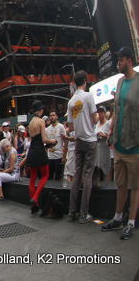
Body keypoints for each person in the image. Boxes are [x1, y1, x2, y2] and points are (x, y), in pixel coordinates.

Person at [102, 47, 139, 240]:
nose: (119, 64)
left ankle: (131, 221)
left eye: (122, 60)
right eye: (118, 61)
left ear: (130, 61)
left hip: (135, 145)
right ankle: (117, 218)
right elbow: (117, 109)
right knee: (121, 184)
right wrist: (110, 130)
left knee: (135, 186)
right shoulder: (119, 81)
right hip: (119, 144)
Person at [66, 70, 99, 223]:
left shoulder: (71, 102)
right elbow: (95, 118)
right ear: (85, 81)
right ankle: (83, 213)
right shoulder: (88, 96)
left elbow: (70, 127)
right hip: (90, 140)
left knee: (77, 175)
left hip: (78, 141)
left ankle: (72, 211)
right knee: (87, 176)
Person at [25, 100, 56, 213]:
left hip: (32, 151)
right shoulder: (41, 122)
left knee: (32, 178)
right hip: (39, 151)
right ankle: (35, 198)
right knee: (45, 175)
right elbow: (44, 139)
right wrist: (52, 140)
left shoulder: (31, 122)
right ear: (40, 110)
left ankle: (34, 204)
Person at [94, 105, 112, 188]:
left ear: (104, 113)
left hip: (104, 148)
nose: (100, 114)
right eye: (99, 112)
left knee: (104, 168)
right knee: (97, 167)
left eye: (102, 112)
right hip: (97, 148)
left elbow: (110, 137)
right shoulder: (97, 124)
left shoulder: (108, 124)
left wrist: (103, 135)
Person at [45, 109, 66, 180]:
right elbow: (46, 144)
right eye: (50, 116)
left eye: (53, 115)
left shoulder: (61, 127)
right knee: (49, 177)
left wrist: (64, 157)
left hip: (58, 156)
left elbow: (65, 142)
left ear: (57, 116)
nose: (52, 117)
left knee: (58, 178)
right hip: (50, 157)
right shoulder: (47, 129)